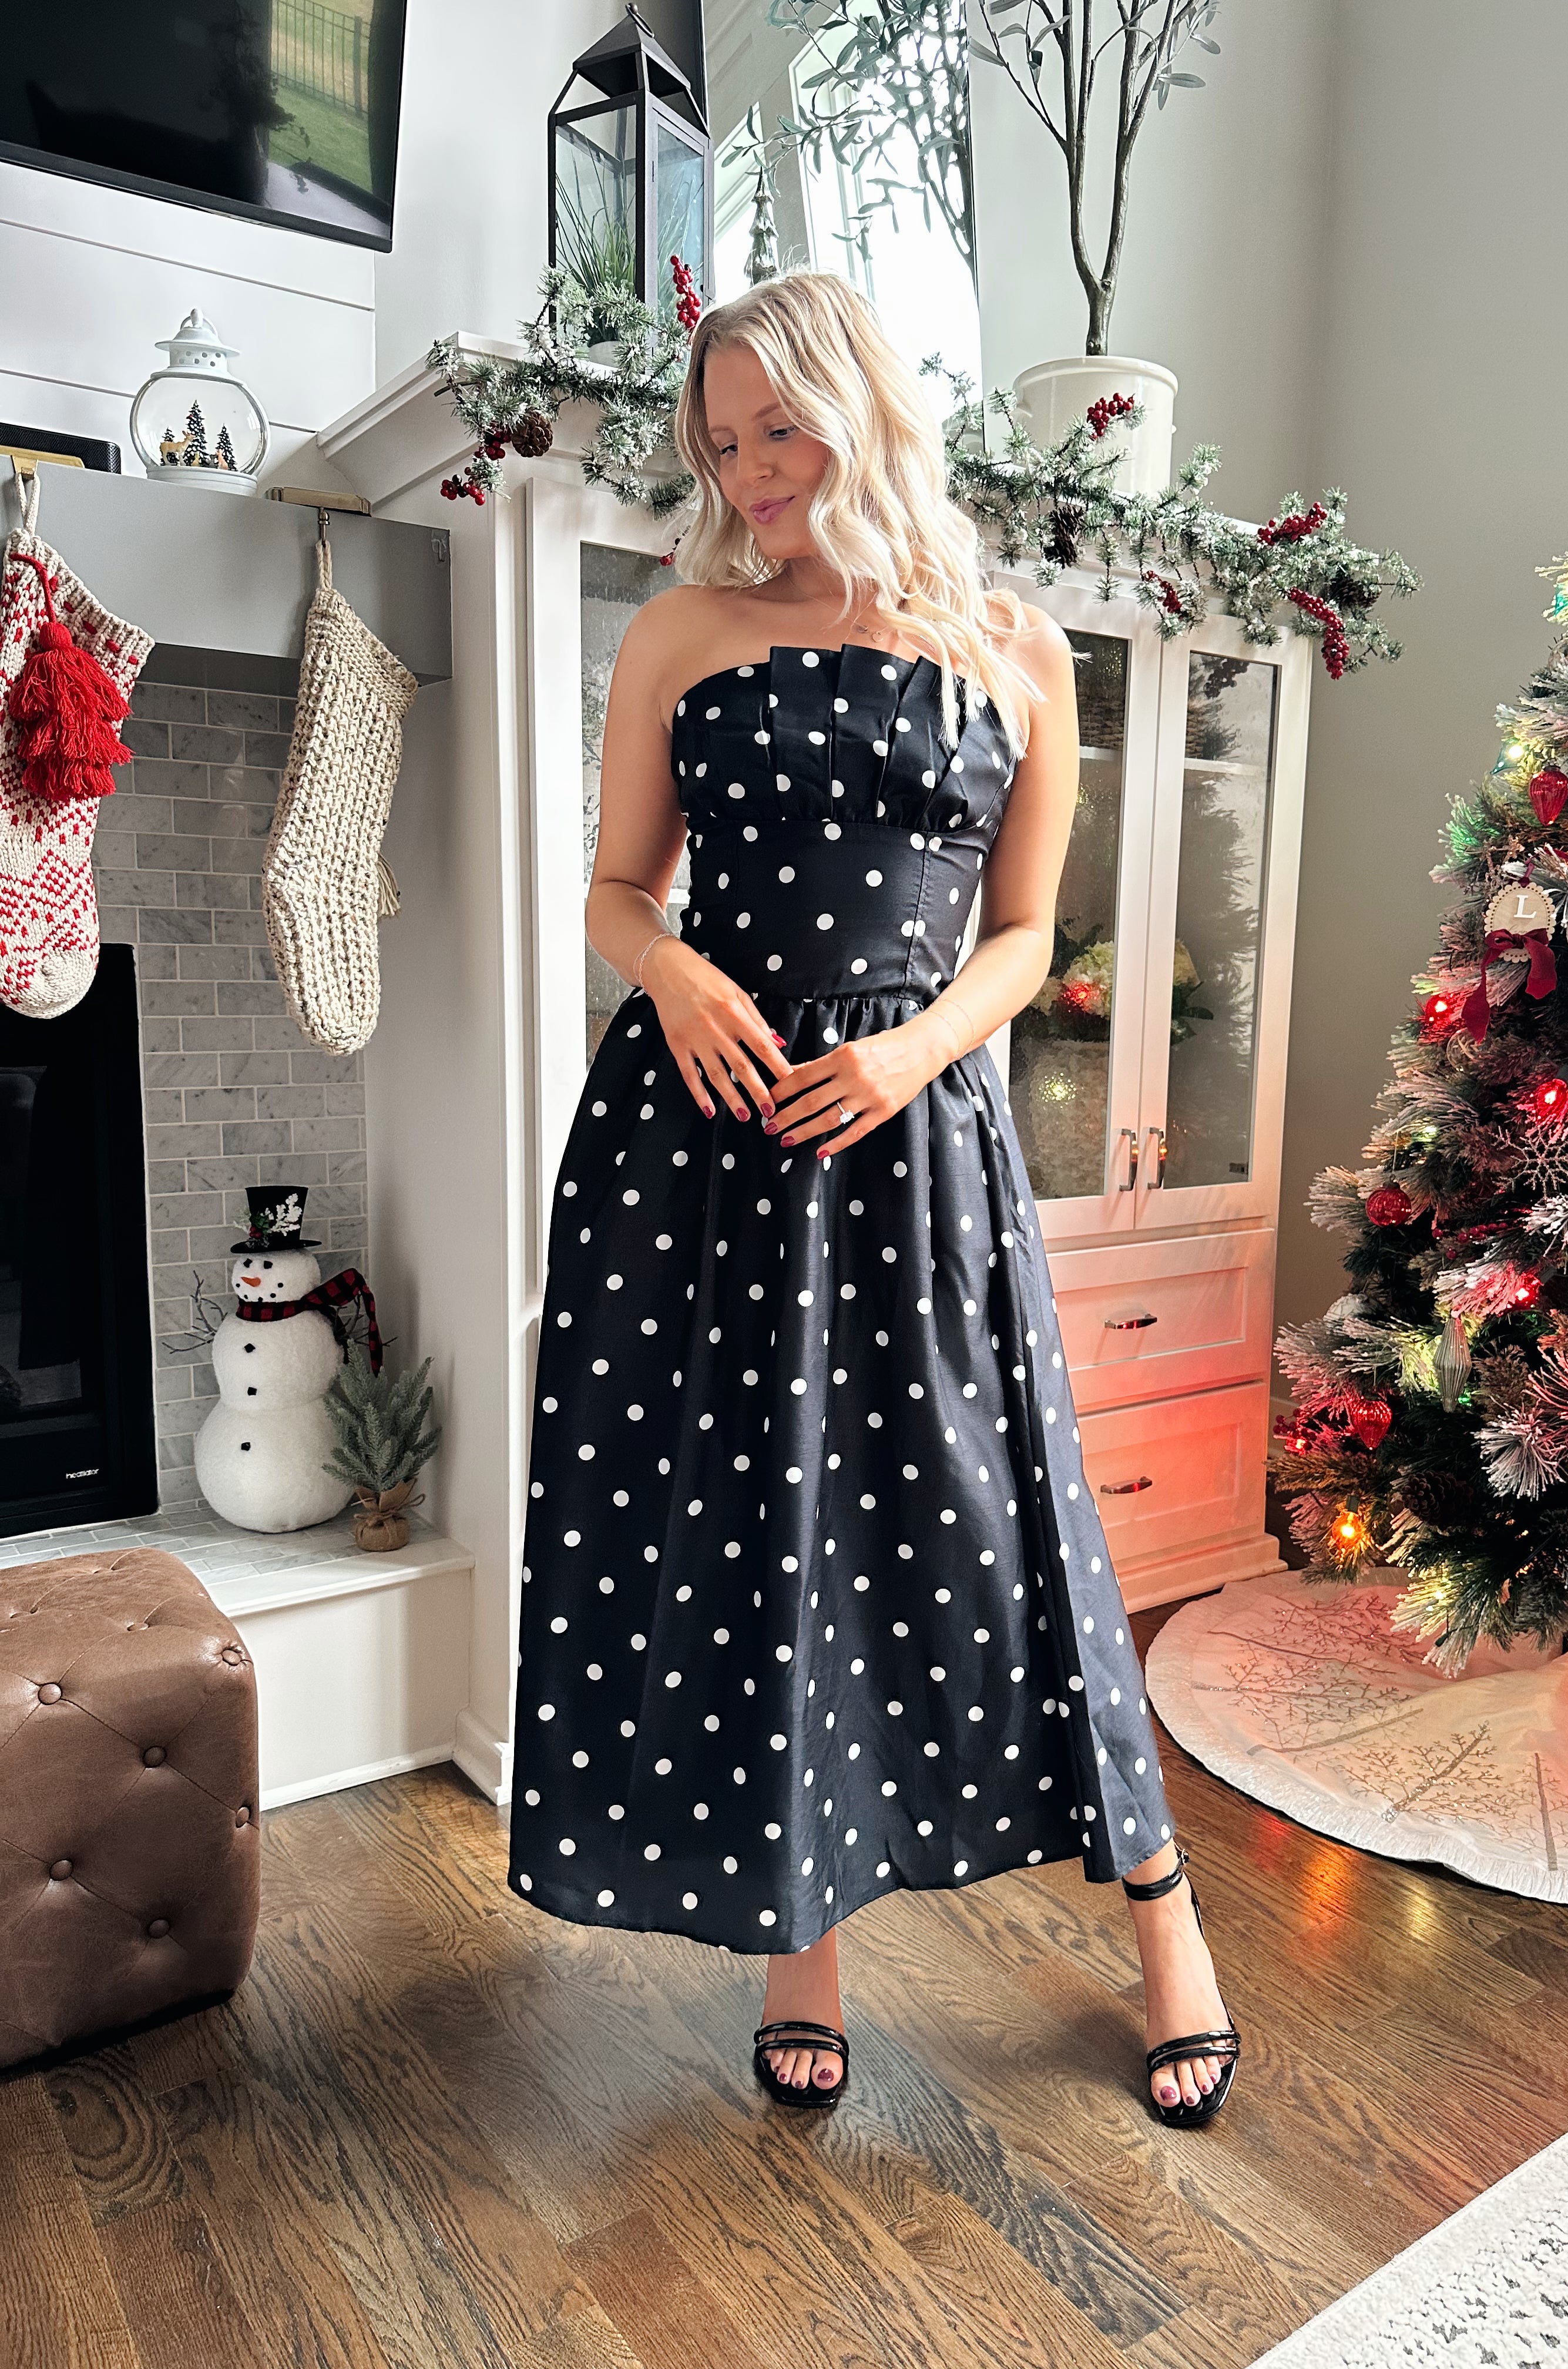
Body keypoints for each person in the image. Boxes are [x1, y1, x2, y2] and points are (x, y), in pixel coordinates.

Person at [506, 271, 1239, 2128]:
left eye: (783, 427)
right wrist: (670, 976)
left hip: (912, 1144)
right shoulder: (682, 629)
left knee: (1023, 1538)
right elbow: (615, 890)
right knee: (763, 1538)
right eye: (723, 439)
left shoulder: (1017, 646)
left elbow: (1024, 934)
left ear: (864, 409)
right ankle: (800, 1950)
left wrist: (916, 1056)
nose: (752, 470)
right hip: (706, 1142)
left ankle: (1167, 1927)